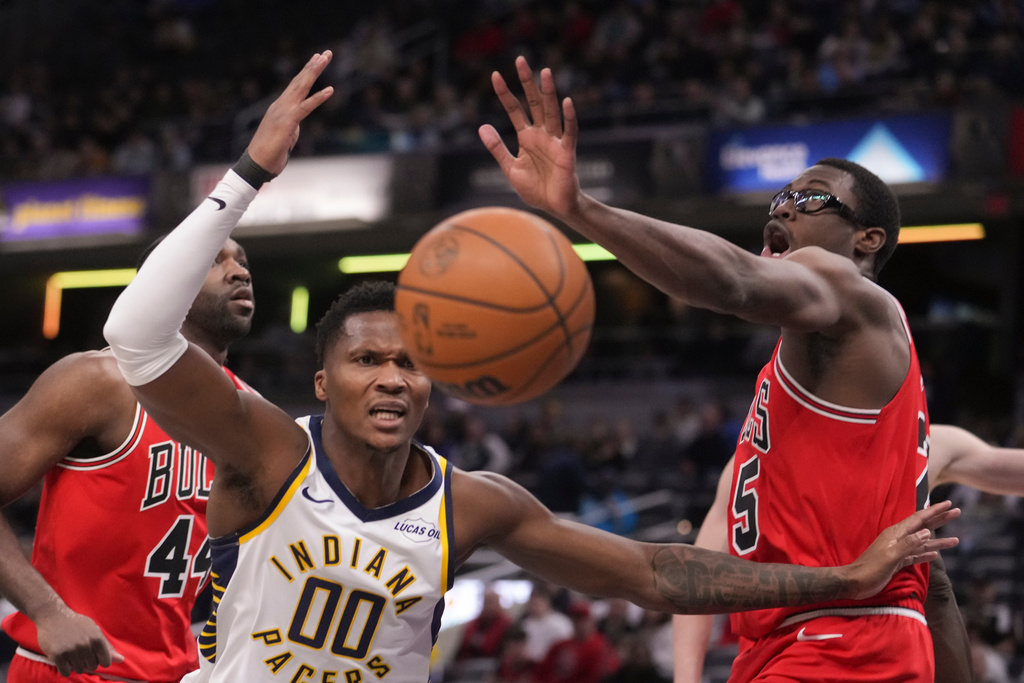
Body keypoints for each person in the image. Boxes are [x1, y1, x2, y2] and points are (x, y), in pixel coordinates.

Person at [102, 51, 958, 683]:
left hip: (832, 638)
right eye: (367, 359)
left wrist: (840, 581)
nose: (393, 376)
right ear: (322, 384)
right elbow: (137, 334)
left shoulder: (471, 502)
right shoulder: (270, 451)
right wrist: (249, 174)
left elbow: (652, 573)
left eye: (410, 358)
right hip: (803, 639)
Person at [479, 55, 950, 681]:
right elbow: (935, 591)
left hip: (841, 638)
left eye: (808, 198)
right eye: (779, 197)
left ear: (866, 240)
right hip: (798, 639)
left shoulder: (852, 293)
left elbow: (733, 280)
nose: (782, 210)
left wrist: (582, 211)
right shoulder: (811, 386)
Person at [0, 237, 257, 678]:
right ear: (160, 282)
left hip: (179, 670)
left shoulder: (252, 414)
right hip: (72, 667)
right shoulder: (98, 382)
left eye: (242, 261)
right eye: (214, 260)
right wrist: (48, 612)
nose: (239, 272)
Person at [674, 423, 1024, 683]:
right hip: (792, 651)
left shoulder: (918, 439)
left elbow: (695, 583)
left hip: (883, 646)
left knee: (937, 584)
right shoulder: (753, 456)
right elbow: (698, 581)